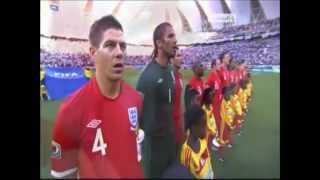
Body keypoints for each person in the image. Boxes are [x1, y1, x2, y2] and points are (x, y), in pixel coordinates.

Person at [51, 15, 144, 179]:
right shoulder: (70, 111)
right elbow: (63, 174)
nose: (119, 52)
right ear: (93, 53)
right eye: (110, 45)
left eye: (123, 46)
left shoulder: (135, 99)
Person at [136, 22, 177, 178]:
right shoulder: (148, 76)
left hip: (170, 144)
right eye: (170, 36)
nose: (175, 40)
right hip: (154, 151)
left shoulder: (171, 71)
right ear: (159, 43)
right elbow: (141, 120)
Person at [180, 105, 215, 179]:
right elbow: (186, 175)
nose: (206, 128)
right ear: (193, 127)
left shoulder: (202, 139)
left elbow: (207, 159)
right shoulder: (187, 152)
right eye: (203, 125)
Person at [171, 47, 184, 153]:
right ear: (171, 59)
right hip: (170, 124)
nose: (181, 58)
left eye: (181, 55)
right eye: (178, 56)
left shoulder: (179, 76)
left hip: (178, 120)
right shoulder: (168, 78)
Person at [206, 59, 223, 143]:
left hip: (218, 103)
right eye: (218, 64)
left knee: (218, 122)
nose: (220, 65)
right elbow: (206, 91)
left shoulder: (217, 75)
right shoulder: (211, 77)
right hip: (214, 105)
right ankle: (211, 142)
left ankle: (214, 140)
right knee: (215, 124)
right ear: (213, 66)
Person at [217, 86, 235, 162]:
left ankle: (226, 144)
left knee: (226, 138)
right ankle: (220, 156)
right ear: (224, 94)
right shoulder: (222, 103)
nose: (229, 95)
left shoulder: (228, 100)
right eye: (227, 93)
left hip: (227, 123)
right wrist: (229, 125)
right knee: (222, 140)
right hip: (223, 125)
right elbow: (223, 117)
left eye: (229, 93)